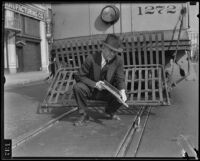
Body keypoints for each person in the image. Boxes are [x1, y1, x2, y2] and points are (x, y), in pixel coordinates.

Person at [73, 34, 127, 126]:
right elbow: (79, 76)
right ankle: (84, 115)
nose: (112, 54)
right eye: (111, 51)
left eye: (115, 52)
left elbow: (120, 78)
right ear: (103, 47)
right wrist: (95, 84)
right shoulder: (91, 58)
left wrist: (122, 91)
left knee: (123, 95)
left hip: (107, 93)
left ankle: (110, 111)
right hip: (91, 91)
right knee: (78, 87)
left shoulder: (118, 60)